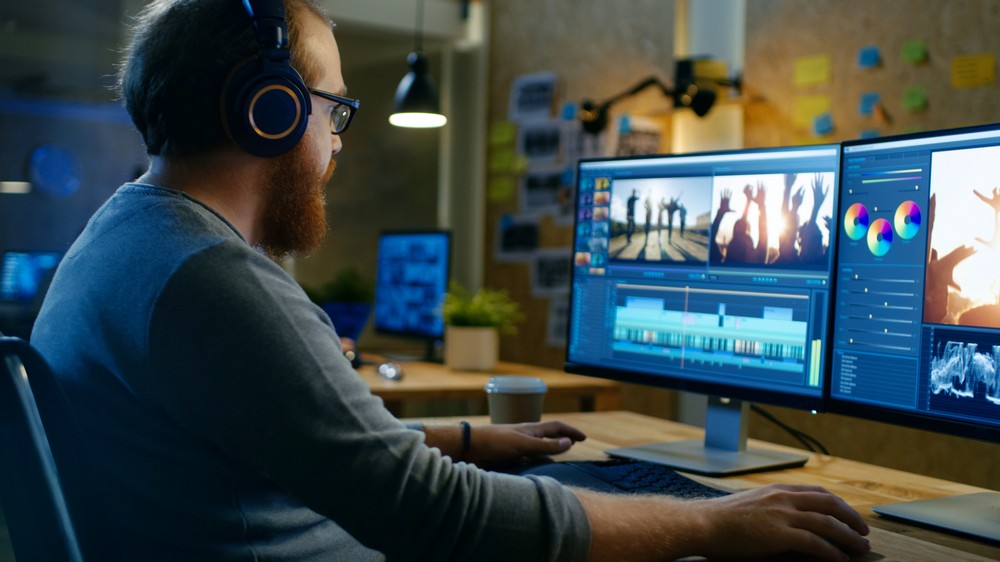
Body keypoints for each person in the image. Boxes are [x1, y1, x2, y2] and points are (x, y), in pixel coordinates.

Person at [31, 1, 871, 560]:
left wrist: (467, 440)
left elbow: (286, 438)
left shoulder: (121, 242)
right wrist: (712, 523)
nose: (336, 147)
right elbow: (438, 518)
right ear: (273, 113)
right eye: (335, 113)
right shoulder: (210, 280)